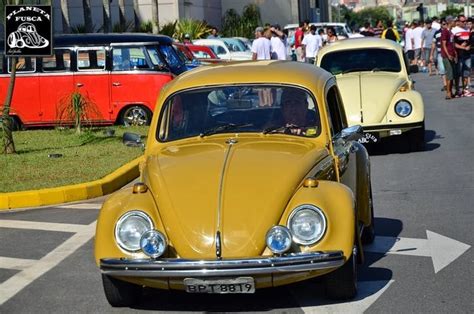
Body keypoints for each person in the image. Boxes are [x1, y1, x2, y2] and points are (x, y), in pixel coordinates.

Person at [452, 15, 472, 97]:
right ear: (458, 22)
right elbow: (452, 43)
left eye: (465, 21)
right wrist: (462, 47)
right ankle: (457, 89)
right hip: (459, 55)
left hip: (467, 54)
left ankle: (465, 89)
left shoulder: (468, 30)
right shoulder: (454, 30)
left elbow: (470, 41)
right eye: (463, 21)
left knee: (466, 72)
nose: (465, 23)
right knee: (458, 73)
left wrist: (469, 45)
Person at [441, 16, 457, 99]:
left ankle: (450, 91)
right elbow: (443, 45)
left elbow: (452, 44)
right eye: (454, 21)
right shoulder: (445, 32)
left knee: (452, 75)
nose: (455, 23)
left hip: (452, 55)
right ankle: (448, 93)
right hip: (447, 56)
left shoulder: (451, 32)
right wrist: (448, 55)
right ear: (450, 22)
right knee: (449, 74)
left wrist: (455, 54)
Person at [431, 19, 447, 91]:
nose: (445, 25)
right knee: (442, 69)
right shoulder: (437, 33)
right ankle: (445, 85)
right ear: (440, 24)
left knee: (449, 69)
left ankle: (449, 83)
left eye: (446, 24)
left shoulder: (449, 32)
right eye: (443, 24)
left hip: (449, 53)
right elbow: (434, 44)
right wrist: (431, 54)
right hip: (440, 53)